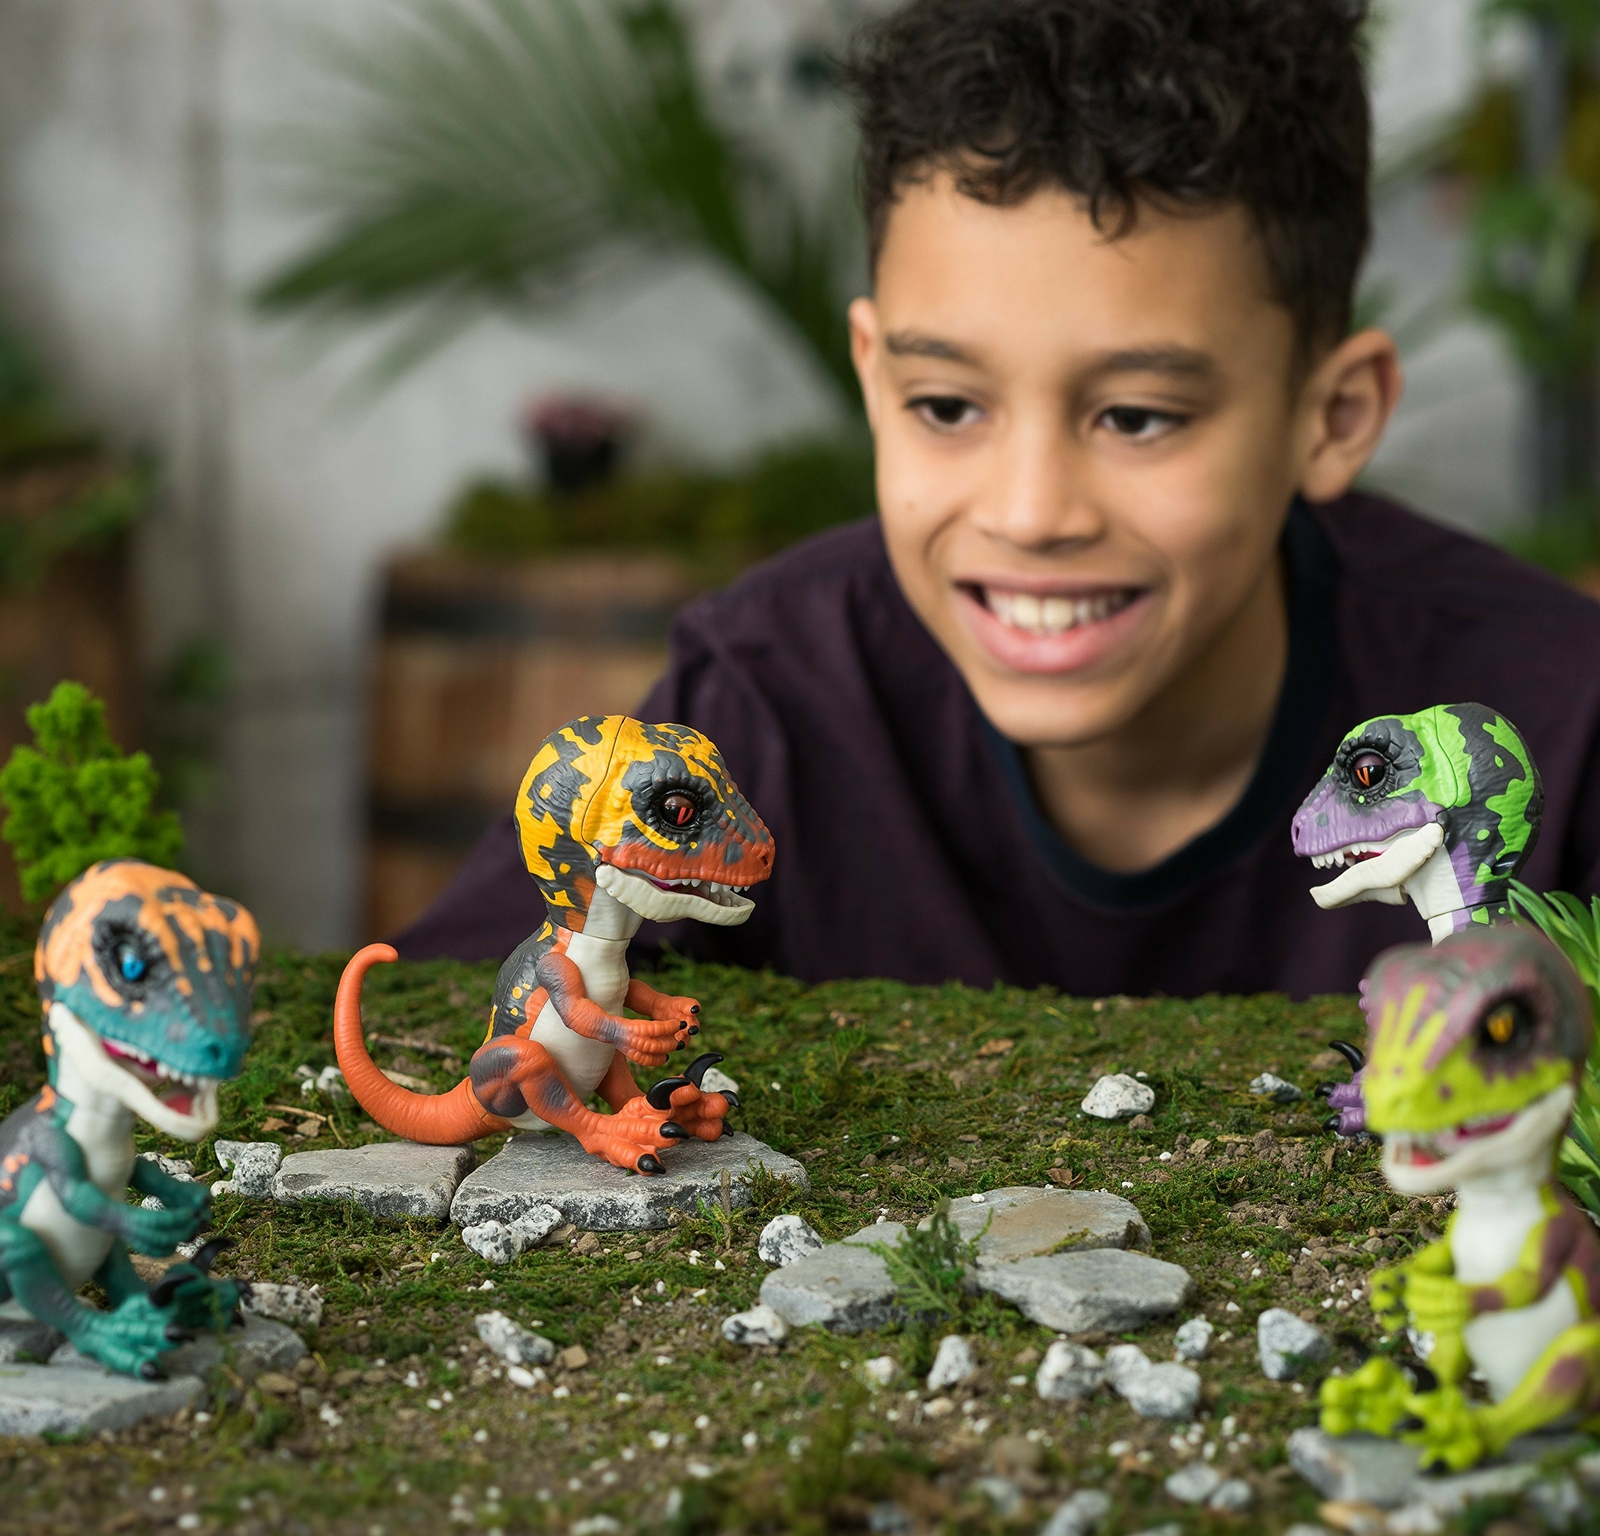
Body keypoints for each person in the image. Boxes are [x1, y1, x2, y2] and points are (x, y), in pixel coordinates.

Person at [395, 0, 1600, 999]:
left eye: (1137, 416)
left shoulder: (1560, 719)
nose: (1028, 513)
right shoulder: (767, 696)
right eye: (946, 405)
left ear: (1330, 417)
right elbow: (460, 1021)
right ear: (874, 380)